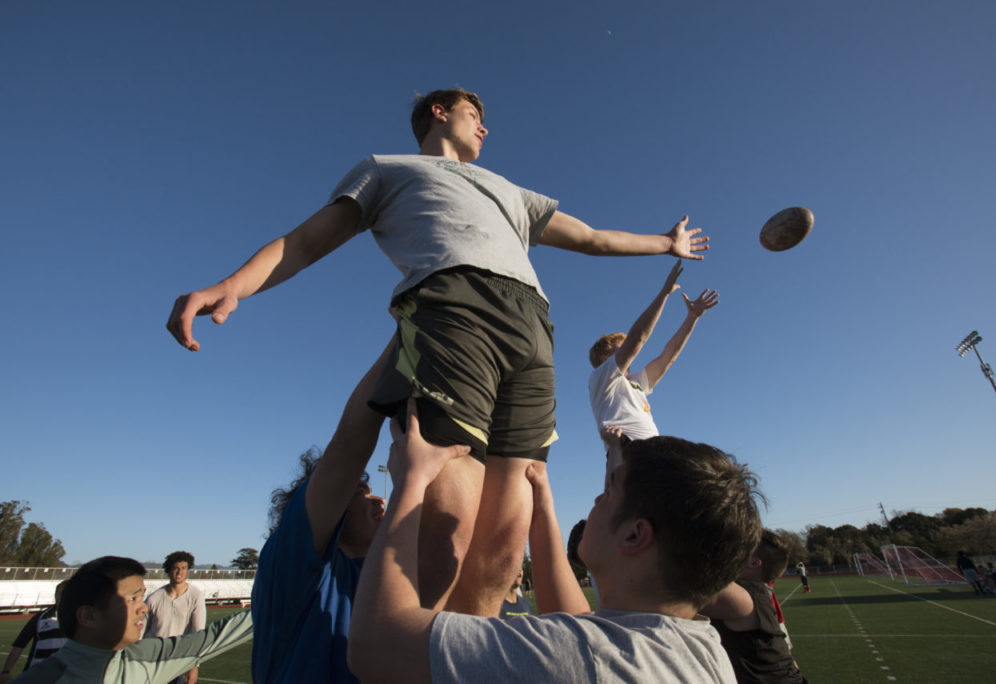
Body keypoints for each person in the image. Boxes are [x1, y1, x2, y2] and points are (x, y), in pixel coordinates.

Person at [167, 87, 711, 617]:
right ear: (438, 112)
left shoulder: (509, 190)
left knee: (503, 543)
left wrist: (665, 243)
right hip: (454, 307)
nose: (485, 125)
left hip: (534, 328)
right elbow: (306, 240)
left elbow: (591, 237)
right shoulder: (386, 168)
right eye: (474, 112)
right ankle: (411, 657)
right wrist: (235, 284)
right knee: (451, 521)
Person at [347, 402, 762, 683]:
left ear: (635, 535)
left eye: (610, 491)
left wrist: (411, 482)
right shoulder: (704, 650)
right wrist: (542, 507)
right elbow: (581, 621)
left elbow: (376, 643)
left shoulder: (582, 660)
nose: (597, 499)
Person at [249, 349, 387, 683]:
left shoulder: (377, 576)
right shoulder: (292, 565)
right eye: (361, 494)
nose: (378, 501)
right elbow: (349, 447)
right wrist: (405, 338)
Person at [11, 556, 251, 684]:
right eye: (133, 598)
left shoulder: (147, 655)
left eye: (142, 596)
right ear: (88, 615)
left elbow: (213, 638)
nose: (143, 608)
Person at [588, 260, 719, 470]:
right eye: (620, 348)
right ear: (604, 358)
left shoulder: (635, 384)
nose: (627, 353)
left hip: (652, 455)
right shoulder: (602, 379)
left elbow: (668, 357)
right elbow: (638, 338)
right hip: (628, 456)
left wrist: (692, 318)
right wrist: (664, 293)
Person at [702, 531, 807, 683]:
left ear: (753, 562)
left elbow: (677, 588)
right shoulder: (758, 594)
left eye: (736, 549)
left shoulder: (744, 596)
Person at [144, 551, 206, 684]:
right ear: (169, 570)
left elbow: (198, 633)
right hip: (152, 659)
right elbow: (141, 631)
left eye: (183, 568)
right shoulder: (153, 598)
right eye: (176, 568)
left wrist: (194, 666)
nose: (179, 572)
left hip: (177, 660)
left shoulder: (196, 596)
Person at [1, 582, 67, 682]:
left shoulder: (80, 619)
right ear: (55, 595)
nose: (62, 597)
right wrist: (6, 672)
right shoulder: (40, 618)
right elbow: (19, 645)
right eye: (60, 593)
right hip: (37, 674)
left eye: (66, 593)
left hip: (64, 675)